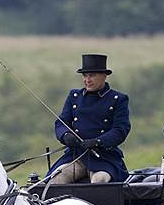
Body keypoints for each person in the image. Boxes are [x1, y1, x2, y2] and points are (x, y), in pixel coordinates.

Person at [49, 54, 130, 184]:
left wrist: (98, 141)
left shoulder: (118, 99)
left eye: (92, 75)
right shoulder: (74, 96)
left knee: (100, 180)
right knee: (55, 179)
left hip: (104, 158)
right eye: (85, 76)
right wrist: (65, 135)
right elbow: (61, 123)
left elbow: (120, 130)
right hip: (76, 156)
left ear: (104, 76)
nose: (87, 80)